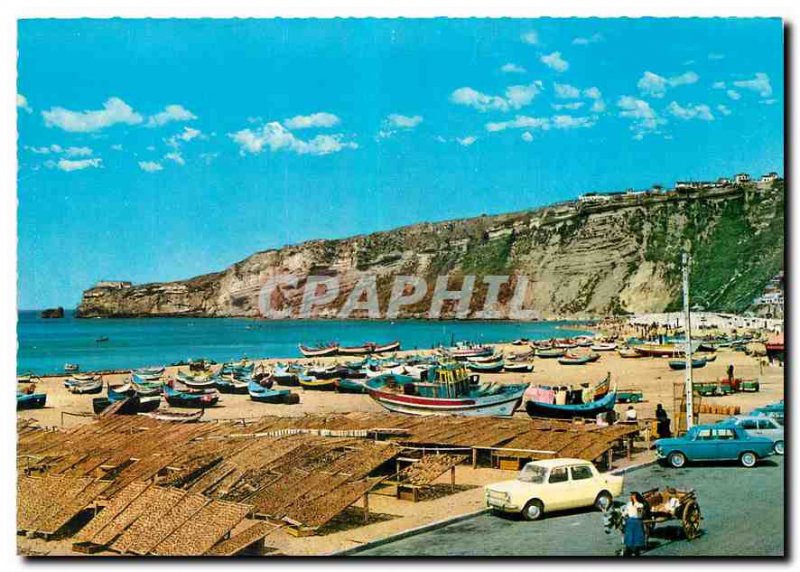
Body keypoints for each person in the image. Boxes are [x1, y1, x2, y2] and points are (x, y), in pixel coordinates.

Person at [622, 492, 647, 556]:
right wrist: (624, 514)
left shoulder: (640, 504)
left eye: (633, 496)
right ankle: (629, 548)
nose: (631, 497)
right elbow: (626, 511)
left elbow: (639, 510)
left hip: (637, 521)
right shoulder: (629, 504)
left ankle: (636, 549)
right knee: (629, 535)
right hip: (630, 521)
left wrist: (635, 501)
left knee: (636, 536)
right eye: (631, 496)